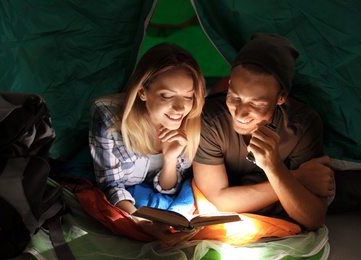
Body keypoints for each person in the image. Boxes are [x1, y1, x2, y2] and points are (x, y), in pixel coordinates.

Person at [193, 33, 335, 231]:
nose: (240, 112)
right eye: (234, 96)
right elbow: (219, 201)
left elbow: (313, 218)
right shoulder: (210, 120)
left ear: (280, 97)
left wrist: (274, 167)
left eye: (255, 103)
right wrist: (297, 177)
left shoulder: (302, 125)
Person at [89, 42, 206, 245]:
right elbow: (111, 184)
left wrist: (170, 159)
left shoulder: (192, 121)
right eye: (167, 96)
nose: (180, 107)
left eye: (188, 96)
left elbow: (170, 187)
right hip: (126, 194)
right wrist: (141, 222)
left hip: (156, 190)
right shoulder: (107, 116)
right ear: (143, 92)